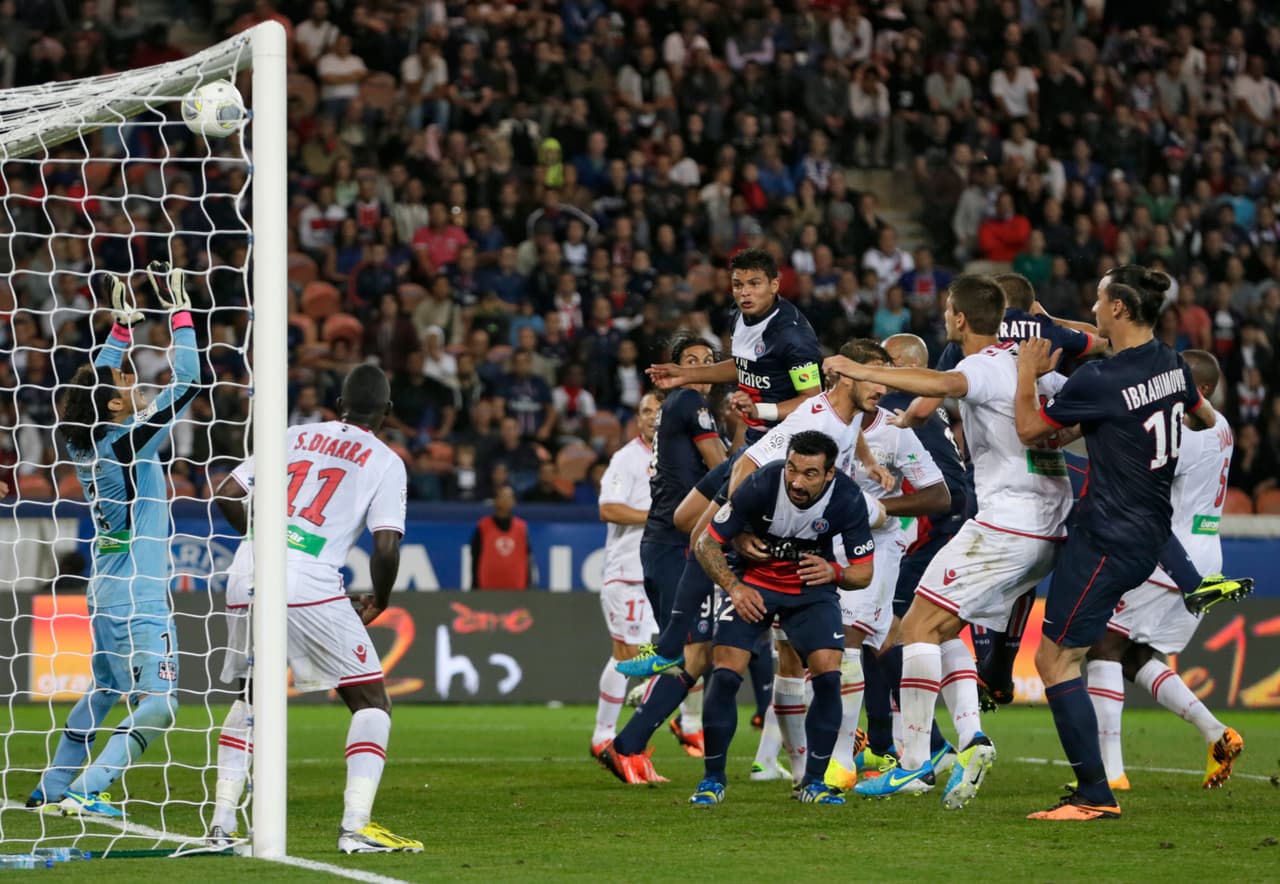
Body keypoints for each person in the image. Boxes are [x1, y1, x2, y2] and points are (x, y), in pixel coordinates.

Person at [825, 275, 1074, 810]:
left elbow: (940, 384)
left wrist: (861, 369)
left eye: (946, 311)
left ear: (959, 318)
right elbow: (1064, 420)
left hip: (1007, 523)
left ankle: (913, 768)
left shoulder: (981, 366)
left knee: (913, 626)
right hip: (1049, 526)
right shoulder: (1027, 366)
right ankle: (972, 739)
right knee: (943, 627)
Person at [1010, 267, 1231, 821]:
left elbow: (1031, 432)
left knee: (1056, 659)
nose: (1095, 305)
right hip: (1151, 534)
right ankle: (1100, 779)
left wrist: (1025, 373)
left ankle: (1094, 793)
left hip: (1108, 533)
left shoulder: (1100, 381)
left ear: (1120, 311)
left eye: (1100, 299)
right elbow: (1202, 422)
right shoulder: (1175, 365)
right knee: (1100, 651)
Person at [210, 364, 419, 853]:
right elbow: (386, 548)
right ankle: (355, 827)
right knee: (371, 702)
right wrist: (381, 598)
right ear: (387, 412)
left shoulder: (296, 435)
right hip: (306, 580)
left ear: (338, 404)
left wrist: (264, 541)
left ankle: (221, 824)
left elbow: (226, 493)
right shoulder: (386, 460)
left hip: (246, 572)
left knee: (251, 696)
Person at [29, 264, 197, 819]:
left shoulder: (82, 441)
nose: (132, 380)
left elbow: (93, 381)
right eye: (126, 380)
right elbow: (189, 383)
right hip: (142, 597)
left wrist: (121, 330)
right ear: (117, 403)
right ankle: (91, 786)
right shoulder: (132, 441)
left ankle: (52, 786)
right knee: (161, 706)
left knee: (104, 691)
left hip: (103, 593)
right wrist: (181, 317)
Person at [689, 430, 876, 806]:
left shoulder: (847, 499)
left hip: (810, 590)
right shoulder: (762, 483)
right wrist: (734, 588)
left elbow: (864, 572)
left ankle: (814, 782)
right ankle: (712, 780)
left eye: (809, 473)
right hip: (755, 583)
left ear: (829, 474)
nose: (795, 480)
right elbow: (706, 543)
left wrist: (835, 573)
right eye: (792, 468)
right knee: (725, 672)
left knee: (828, 673)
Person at [1085, 350, 1244, 791]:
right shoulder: (1223, 426)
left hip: (1169, 556)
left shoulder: (1184, 436)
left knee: (1103, 643)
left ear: (1203, 390)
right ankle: (1217, 733)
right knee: (1136, 656)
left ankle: (1110, 771)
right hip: (1206, 551)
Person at [820, 339, 951, 793]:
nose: (880, 386)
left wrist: (881, 508)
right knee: (838, 648)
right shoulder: (824, 423)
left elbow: (940, 495)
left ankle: (841, 762)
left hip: (876, 547)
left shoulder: (896, 431)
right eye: (870, 375)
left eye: (883, 375)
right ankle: (922, 747)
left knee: (848, 640)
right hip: (821, 542)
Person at [595, 334, 725, 783]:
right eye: (691, 360)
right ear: (674, 370)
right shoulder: (689, 400)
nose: (702, 368)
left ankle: (633, 741)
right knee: (693, 653)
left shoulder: (684, 409)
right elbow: (722, 466)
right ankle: (626, 743)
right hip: (675, 544)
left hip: (666, 544)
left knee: (696, 653)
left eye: (709, 361)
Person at [646, 248, 822, 445]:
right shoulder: (737, 315)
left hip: (790, 438)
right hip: (752, 430)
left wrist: (760, 410)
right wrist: (684, 374)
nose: (744, 292)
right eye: (738, 285)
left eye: (754, 284)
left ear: (774, 285)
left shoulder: (794, 336)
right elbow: (743, 366)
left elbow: (812, 400)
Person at [592, 392, 662, 755]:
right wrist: (655, 517)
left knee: (663, 653)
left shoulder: (673, 458)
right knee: (628, 653)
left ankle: (619, 736)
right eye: (644, 412)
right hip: (627, 571)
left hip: (658, 573)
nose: (650, 417)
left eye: (657, 411)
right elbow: (609, 508)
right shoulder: (626, 458)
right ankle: (604, 736)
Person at [471, 485, 532, 590]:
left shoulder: (522, 527)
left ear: (514, 501)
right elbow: (475, 556)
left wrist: (528, 584)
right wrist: (475, 585)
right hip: (488, 588)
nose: (505, 500)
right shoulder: (483, 526)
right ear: (495, 500)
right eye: (502, 497)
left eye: (509, 497)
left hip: (516, 588)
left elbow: (527, 557)